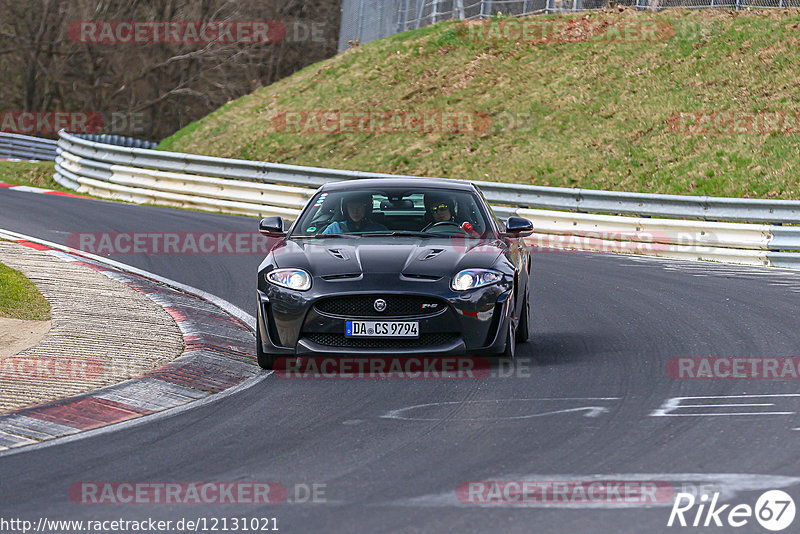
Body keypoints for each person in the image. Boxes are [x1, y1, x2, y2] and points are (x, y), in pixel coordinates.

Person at [322, 192, 388, 234]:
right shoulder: (334, 228)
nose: (355, 211)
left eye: (359, 207)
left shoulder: (379, 230)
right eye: (351, 207)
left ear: (367, 209)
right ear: (345, 209)